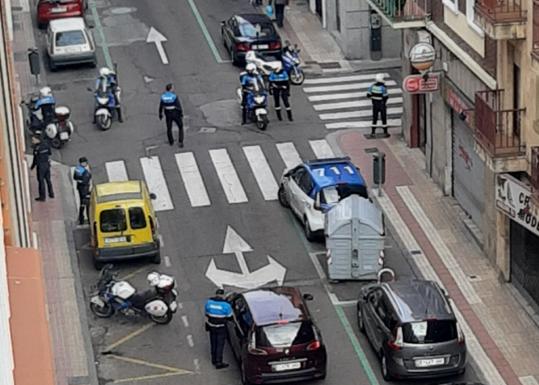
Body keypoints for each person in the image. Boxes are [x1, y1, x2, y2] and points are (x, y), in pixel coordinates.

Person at [204, 289, 233, 369]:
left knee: (213, 343)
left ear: (216, 294)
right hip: (221, 327)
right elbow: (230, 317)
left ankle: (213, 359)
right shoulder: (226, 305)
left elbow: (207, 314)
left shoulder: (209, 302)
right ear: (222, 295)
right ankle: (218, 362)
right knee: (220, 344)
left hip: (211, 326)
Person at [30, 136, 54, 201]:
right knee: (48, 180)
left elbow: (35, 159)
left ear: (37, 140)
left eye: (33, 140)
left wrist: (32, 167)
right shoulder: (46, 145)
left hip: (40, 166)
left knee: (41, 181)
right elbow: (50, 153)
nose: (32, 141)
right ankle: (51, 194)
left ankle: (42, 197)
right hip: (47, 164)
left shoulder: (37, 148)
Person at [73, 157, 92, 225]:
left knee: (83, 204)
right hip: (83, 189)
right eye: (84, 162)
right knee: (85, 204)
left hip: (84, 187)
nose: (85, 163)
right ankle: (87, 219)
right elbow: (82, 179)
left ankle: (82, 219)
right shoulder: (80, 170)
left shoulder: (81, 168)